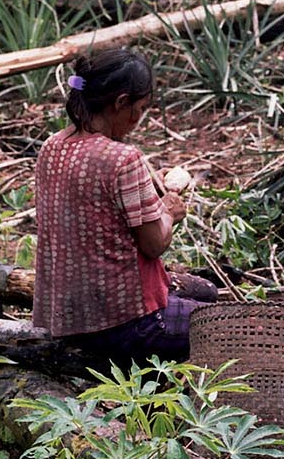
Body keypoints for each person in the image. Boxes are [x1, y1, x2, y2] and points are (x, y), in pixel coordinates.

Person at [33, 48, 203, 361]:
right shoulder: (123, 158)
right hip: (124, 323)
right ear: (120, 102)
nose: (139, 119)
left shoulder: (52, 147)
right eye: (139, 108)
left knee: (205, 290)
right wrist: (170, 211)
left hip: (68, 315)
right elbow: (153, 245)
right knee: (226, 322)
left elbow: (99, 208)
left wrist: (150, 192)